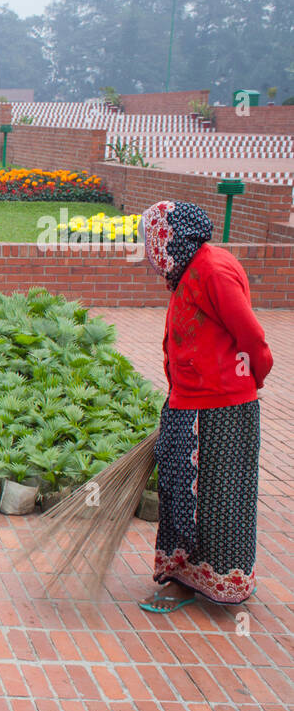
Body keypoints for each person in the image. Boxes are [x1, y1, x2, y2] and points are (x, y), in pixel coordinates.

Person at [137, 201, 271, 613]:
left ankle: (221, 581)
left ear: (170, 238)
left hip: (222, 411)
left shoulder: (212, 270)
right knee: (183, 495)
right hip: (190, 404)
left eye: (151, 240)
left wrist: (248, 381)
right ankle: (184, 577)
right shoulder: (188, 271)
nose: (147, 252)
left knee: (219, 498)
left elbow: (251, 337)